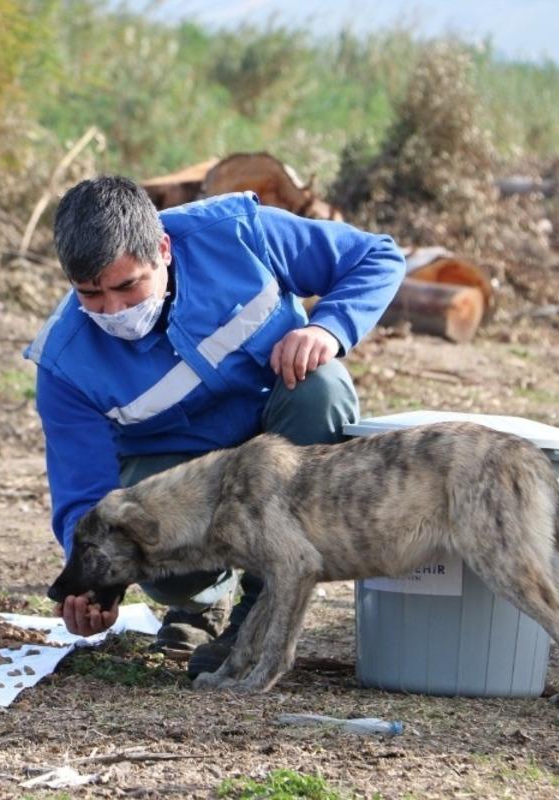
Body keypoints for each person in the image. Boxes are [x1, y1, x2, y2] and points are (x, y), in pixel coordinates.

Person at [24, 175, 404, 676]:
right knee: (135, 522)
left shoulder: (240, 235)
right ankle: (198, 601)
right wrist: (94, 587)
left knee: (323, 387)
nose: (113, 310)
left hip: (279, 439)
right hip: (183, 480)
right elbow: (84, 498)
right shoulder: (65, 364)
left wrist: (326, 328)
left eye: (126, 286)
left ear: (162, 249)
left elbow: (376, 256)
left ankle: (264, 603)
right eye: (90, 294)